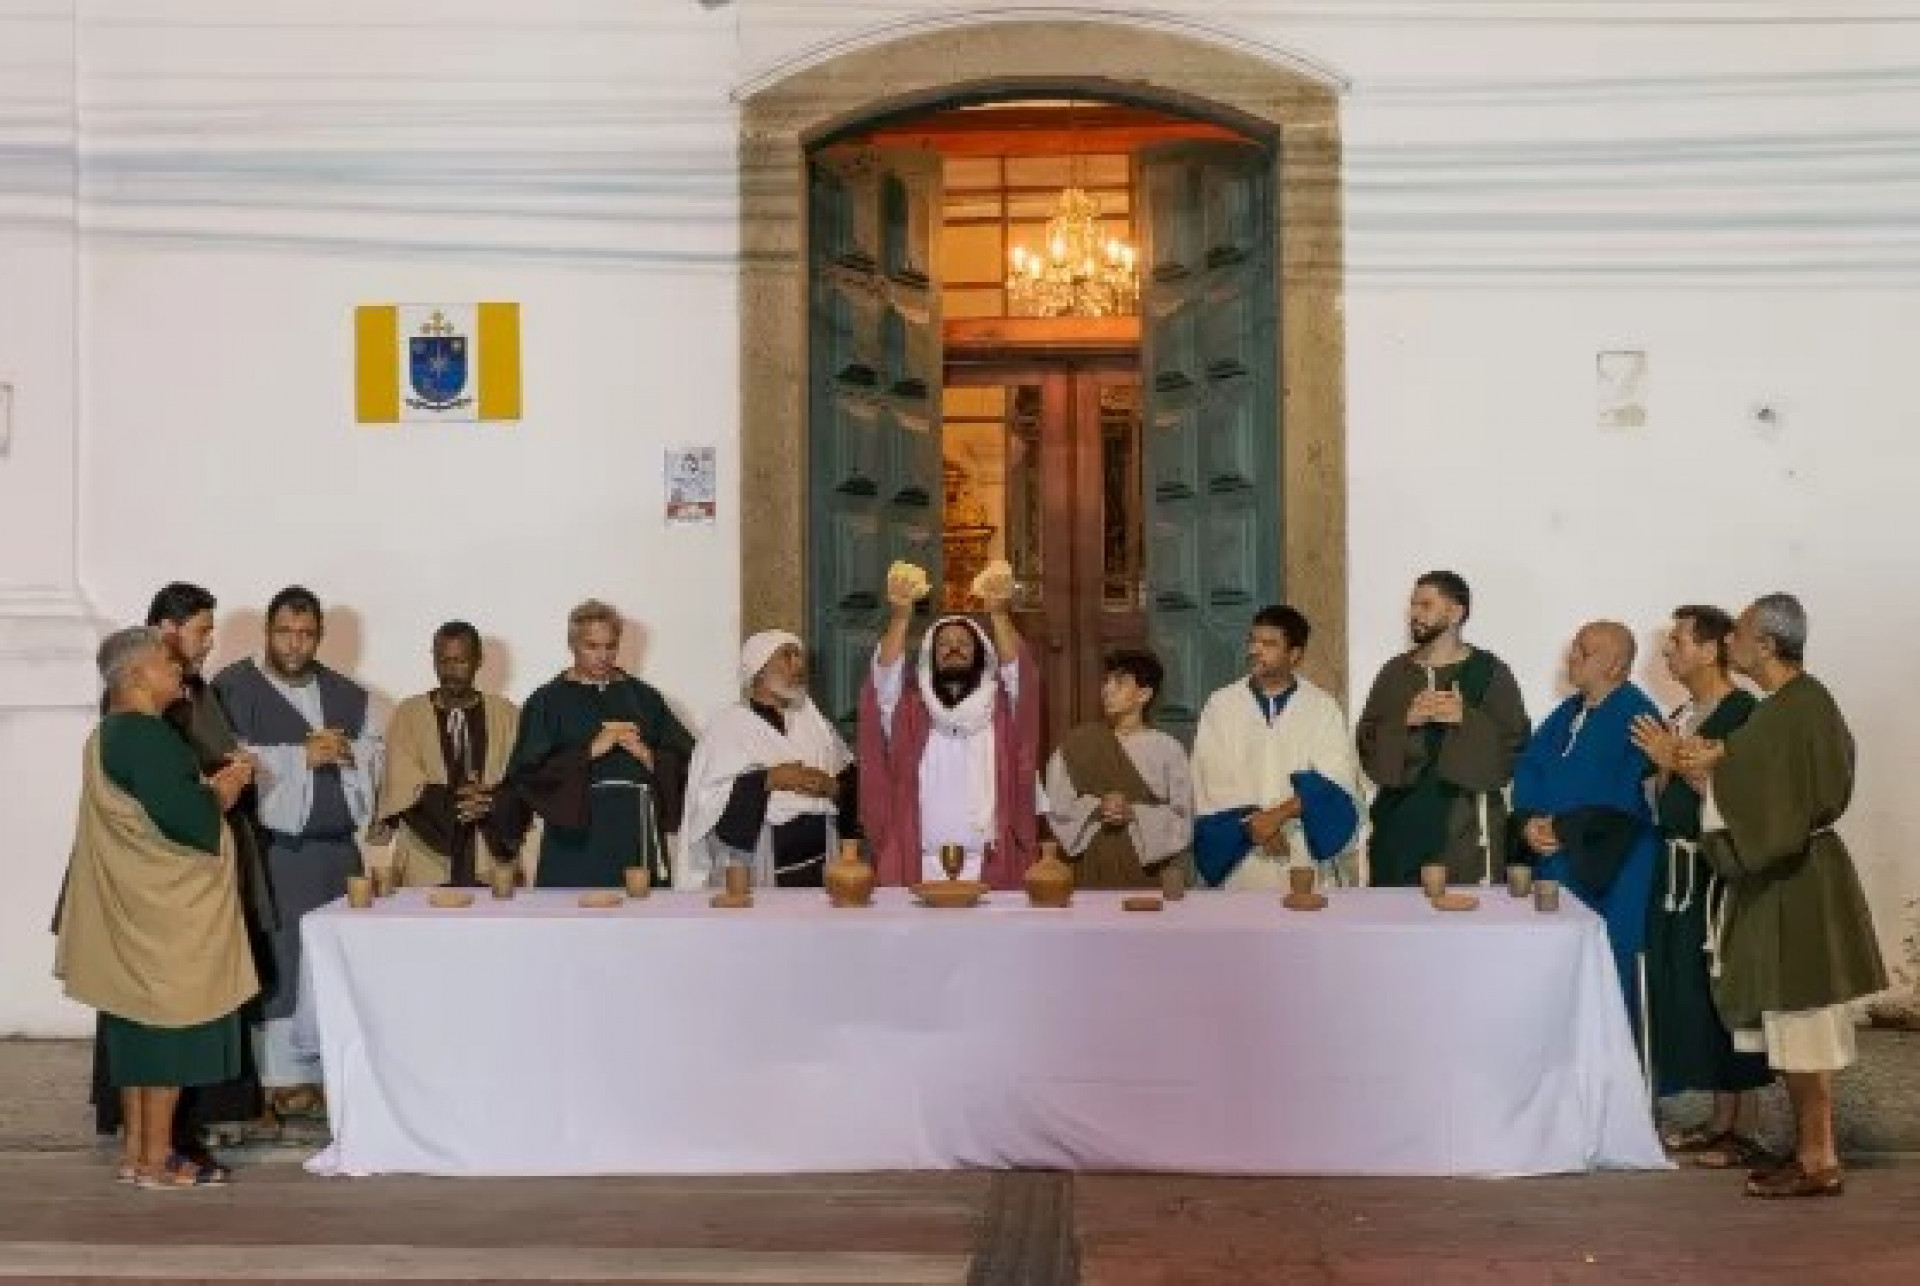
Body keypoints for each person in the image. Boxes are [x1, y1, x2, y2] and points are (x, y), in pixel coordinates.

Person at [1685, 594, 1886, 1198]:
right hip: (1795, 871)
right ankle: (1811, 1153)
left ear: (1767, 645)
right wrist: (1721, 768)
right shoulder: (1795, 705)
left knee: (1804, 1020)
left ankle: (1818, 1159)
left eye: (1740, 633)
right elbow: (1765, 780)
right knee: (1794, 1020)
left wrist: (1706, 775)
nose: (1731, 643)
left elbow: (1767, 795)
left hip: (1796, 877)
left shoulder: (1791, 710)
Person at [55, 627, 258, 1189]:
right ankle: (162, 1158)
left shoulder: (107, 736)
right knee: (167, 1040)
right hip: (167, 922)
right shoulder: (144, 737)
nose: (179, 673)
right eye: (169, 664)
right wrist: (228, 785)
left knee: (140, 1041)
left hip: (132, 916)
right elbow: (188, 821)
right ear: (139, 674)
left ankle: (139, 1155)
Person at [213, 586, 382, 1126]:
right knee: (279, 961)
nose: (295, 643)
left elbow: (377, 757)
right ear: (268, 630)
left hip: (336, 855)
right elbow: (226, 759)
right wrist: (299, 756)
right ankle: (275, 1081)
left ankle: (323, 1075)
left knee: (332, 965)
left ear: (320, 636)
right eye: (285, 632)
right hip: (274, 854)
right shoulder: (234, 688)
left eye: (306, 633)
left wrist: (351, 752)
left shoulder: (349, 695)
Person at [1629, 605, 1771, 1171]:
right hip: (1677, 870)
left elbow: (1745, 793)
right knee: (1690, 989)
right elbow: (1666, 796)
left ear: (1711, 649)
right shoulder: (1683, 713)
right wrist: (1661, 773)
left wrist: (1679, 764)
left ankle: (1744, 1128)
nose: (1668, 654)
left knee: (1728, 992)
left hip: (1719, 873)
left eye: (1678, 643)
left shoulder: (1744, 714)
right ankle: (1719, 1121)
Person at [1508, 621, 1661, 1019]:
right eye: (1573, 647)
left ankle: (1613, 1072)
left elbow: (1628, 797)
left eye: (1583, 651)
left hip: (1612, 867)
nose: (1571, 657)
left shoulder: (1638, 715)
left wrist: (1564, 828)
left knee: (1609, 970)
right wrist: (1528, 822)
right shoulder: (1569, 711)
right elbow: (1531, 767)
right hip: (1557, 856)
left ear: (1614, 666)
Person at [858, 562, 1041, 888]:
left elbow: (1018, 674)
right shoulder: (912, 711)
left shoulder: (999, 709)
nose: (954, 648)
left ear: (981, 655)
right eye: (944, 644)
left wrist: (998, 614)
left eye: (964, 643)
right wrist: (900, 617)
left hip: (989, 865)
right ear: (930, 655)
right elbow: (884, 679)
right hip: (921, 865)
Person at [1357, 571, 1530, 887]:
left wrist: (1466, 719)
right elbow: (1367, 743)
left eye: (1425, 605)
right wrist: (1404, 723)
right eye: (1413, 605)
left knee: (1465, 930)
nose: (1414, 614)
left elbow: (1514, 745)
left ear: (1455, 612)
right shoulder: (1395, 673)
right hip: (1400, 828)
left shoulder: (1490, 672)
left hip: (1465, 830)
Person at [507, 600, 693, 888]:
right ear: (572, 644)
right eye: (592, 646)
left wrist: (648, 756)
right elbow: (527, 773)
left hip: (635, 831)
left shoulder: (645, 699)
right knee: (573, 923)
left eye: (611, 646)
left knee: (638, 925)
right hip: (576, 837)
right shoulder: (547, 701)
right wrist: (590, 751)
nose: (603, 656)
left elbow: (690, 759)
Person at [1188, 607, 1362, 890]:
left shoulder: (1321, 707)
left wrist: (1277, 815)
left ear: (1294, 655)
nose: (1255, 650)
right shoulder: (1221, 705)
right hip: (1239, 854)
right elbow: (1209, 778)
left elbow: (1335, 783)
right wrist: (1254, 825)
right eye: (1252, 641)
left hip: (1299, 849)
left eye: (1268, 644)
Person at [678, 630, 854, 889]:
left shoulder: (816, 724)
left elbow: (850, 779)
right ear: (759, 669)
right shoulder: (727, 727)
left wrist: (832, 787)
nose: (799, 665)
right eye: (787, 656)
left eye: (799, 656)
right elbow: (707, 804)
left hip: (822, 863)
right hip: (760, 866)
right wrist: (768, 779)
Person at [371, 622, 527, 888]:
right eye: (443, 661)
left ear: (479, 661)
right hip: (427, 860)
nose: (450, 671)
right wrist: (457, 804)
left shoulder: (506, 714)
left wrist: (491, 801)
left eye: (460, 661)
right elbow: (401, 783)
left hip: (490, 861)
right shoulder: (409, 714)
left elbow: (524, 779)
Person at [1044, 648, 1194, 890]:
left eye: (1120, 682)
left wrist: (1135, 813)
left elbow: (1182, 819)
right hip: (1088, 866)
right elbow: (1057, 808)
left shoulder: (1167, 749)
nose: (1107, 689)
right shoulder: (1077, 745)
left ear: (1144, 694)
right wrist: (1095, 807)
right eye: (1106, 681)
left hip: (1147, 873)